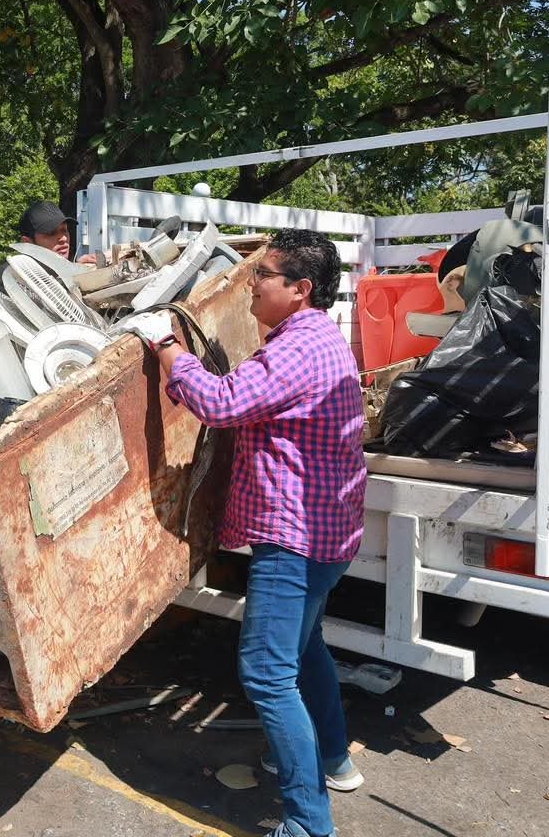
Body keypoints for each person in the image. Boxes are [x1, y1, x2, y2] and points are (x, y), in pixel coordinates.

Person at [131, 230, 367, 837]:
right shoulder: (318, 337)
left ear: (300, 289)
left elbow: (221, 403)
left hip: (295, 540)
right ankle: (333, 759)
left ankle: (309, 824)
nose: (251, 285)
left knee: (267, 673)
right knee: (304, 649)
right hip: (327, 533)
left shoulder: (298, 348)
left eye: (263, 274)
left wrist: (165, 346)